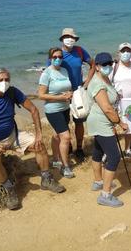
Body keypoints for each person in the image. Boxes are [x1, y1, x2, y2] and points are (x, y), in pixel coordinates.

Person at [0, 68, 65, 210]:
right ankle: (9, 189)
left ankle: (46, 179)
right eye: (1, 80)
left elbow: (33, 109)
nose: (4, 82)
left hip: (12, 135)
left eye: (7, 79)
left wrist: (39, 133)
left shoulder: (13, 92)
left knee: (39, 145)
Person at [87, 52, 129, 207]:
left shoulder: (104, 79)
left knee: (98, 151)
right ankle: (105, 195)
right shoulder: (98, 84)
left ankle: (98, 181)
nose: (108, 67)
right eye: (104, 65)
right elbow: (107, 108)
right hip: (101, 123)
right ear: (97, 67)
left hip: (100, 122)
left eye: (110, 64)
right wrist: (119, 123)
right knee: (114, 157)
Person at [57, 28, 95, 162]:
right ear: (62, 39)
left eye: (72, 37)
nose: (70, 39)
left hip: (78, 93)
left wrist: (87, 83)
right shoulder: (57, 54)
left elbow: (93, 64)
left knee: (79, 122)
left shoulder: (79, 51)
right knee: (64, 123)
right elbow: (50, 71)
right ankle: (68, 146)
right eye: (67, 37)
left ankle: (79, 148)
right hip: (62, 94)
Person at [38, 47, 74, 178]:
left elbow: (67, 87)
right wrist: (60, 98)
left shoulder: (64, 71)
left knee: (56, 135)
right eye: (55, 57)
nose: (58, 59)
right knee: (66, 137)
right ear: (50, 58)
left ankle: (55, 159)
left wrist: (70, 94)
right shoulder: (46, 73)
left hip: (65, 108)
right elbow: (41, 95)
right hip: (53, 110)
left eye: (60, 57)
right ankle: (65, 167)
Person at [110, 42, 131, 159]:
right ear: (119, 53)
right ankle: (110, 152)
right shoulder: (114, 67)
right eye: (123, 51)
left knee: (129, 127)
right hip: (116, 103)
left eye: (128, 51)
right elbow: (106, 84)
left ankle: (127, 149)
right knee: (112, 127)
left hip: (130, 104)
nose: (126, 53)